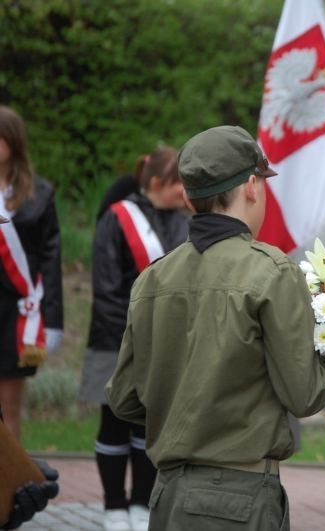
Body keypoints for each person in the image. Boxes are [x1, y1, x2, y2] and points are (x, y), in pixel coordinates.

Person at [106, 125, 325, 530]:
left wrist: (187, 418)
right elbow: (304, 395)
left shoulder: (153, 278)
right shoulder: (271, 269)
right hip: (238, 497)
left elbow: (125, 399)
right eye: (263, 182)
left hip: (167, 495)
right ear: (251, 185)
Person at [78, 146, 188, 531]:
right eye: (179, 183)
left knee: (149, 426)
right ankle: (113, 506)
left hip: (168, 342)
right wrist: (135, 335)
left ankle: (141, 503)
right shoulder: (116, 218)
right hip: (116, 340)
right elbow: (106, 290)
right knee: (113, 422)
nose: (185, 192)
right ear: (158, 182)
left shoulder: (185, 221)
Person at [0, 105, 63, 441]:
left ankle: (7, 488)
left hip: (16, 314)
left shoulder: (38, 194)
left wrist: (52, 319)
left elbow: (50, 258)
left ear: (13, 142)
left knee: (8, 409)